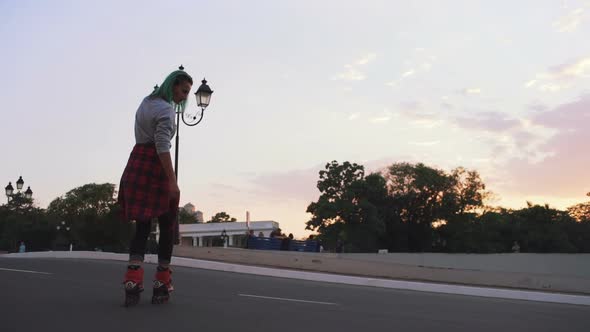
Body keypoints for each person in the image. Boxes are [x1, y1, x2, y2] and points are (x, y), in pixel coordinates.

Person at [118, 69, 193, 306]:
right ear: (173, 85)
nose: (184, 97)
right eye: (183, 90)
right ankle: (161, 283)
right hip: (155, 165)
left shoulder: (146, 102)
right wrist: (172, 181)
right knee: (167, 224)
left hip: (136, 161)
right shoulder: (166, 110)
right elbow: (162, 145)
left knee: (142, 226)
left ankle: (132, 281)